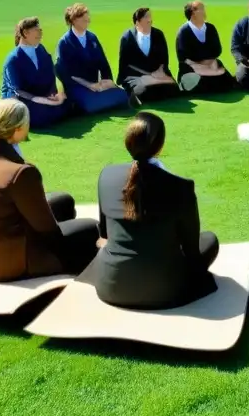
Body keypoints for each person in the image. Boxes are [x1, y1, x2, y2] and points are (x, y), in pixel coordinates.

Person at [0, 99, 101, 281]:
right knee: (90, 228)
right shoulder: (21, 172)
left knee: (63, 201)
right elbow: (48, 230)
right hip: (4, 260)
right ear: (18, 128)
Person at [92, 112, 221, 309]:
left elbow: (104, 235)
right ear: (160, 146)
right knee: (209, 240)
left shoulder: (106, 175)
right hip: (166, 290)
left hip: (112, 285)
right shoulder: (180, 187)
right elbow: (191, 250)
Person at [55, 3, 129, 114]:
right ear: (74, 20)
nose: (88, 19)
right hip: (77, 87)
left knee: (123, 95)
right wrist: (89, 85)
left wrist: (107, 81)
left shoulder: (92, 38)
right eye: (84, 18)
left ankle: (99, 100)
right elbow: (65, 73)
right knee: (91, 104)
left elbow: (103, 63)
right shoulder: (64, 43)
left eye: (87, 16)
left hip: (97, 86)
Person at [0, 17, 69, 129]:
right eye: (37, 30)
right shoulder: (13, 59)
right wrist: (44, 100)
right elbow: (18, 90)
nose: (40, 34)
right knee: (41, 114)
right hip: (22, 101)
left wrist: (53, 95)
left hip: (42, 97)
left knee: (68, 101)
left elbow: (50, 75)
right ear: (25, 33)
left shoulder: (41, 50)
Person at [117, 7, 181, 105]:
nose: (149, 19)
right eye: (146, 17)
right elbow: (124, 63)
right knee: (142, 91)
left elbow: (164, 61)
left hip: (158, 75)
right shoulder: (127, 37)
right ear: (137, 22)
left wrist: (156, 75)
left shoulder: (159, 35)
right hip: (136, 76)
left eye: (150, 16)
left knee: (173, 89)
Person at [174, 0, 237, 94]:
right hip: (192, 66)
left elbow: (217, 50)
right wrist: (202, 62)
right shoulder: (183, 32)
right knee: (198, 82)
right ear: (193, 13)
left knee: (227, 82)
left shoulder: (211, 28)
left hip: (211, 63)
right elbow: (183, 57)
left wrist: (209, 61)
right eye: (201, 9)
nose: (204, 11)